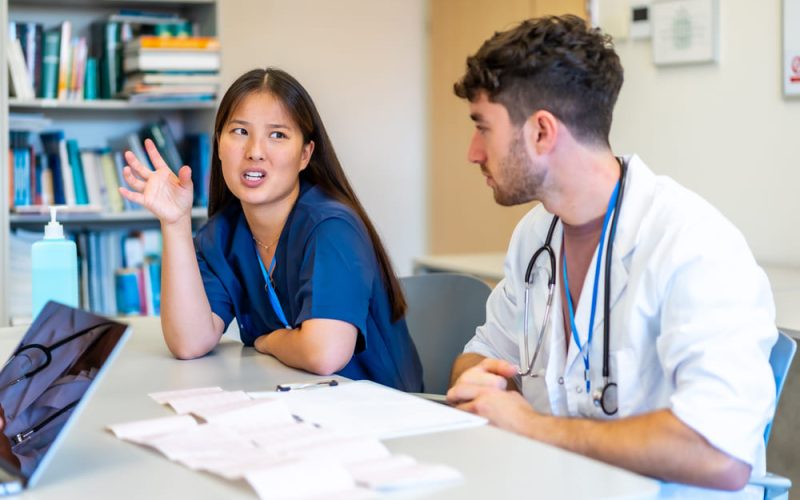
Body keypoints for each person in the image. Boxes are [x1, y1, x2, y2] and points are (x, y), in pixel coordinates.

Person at [445, 15, 777, 496]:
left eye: (484, 128)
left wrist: (530, 426)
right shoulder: (536, 236)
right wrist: (481, 382)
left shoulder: (693, 245)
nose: (474, 152)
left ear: (541, 132)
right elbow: (479, 356)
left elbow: (719, 456)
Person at [119, 68, 422, 392]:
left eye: (277, 135)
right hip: (297, 413)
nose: (255, 151)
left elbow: (324, 354)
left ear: (305, 154)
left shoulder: (332, 228)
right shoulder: (222, 235)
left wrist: (272, 341)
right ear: (219, 145)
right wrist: (175, 223)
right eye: (239, 131)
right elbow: (189, 342)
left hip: (380, 418)